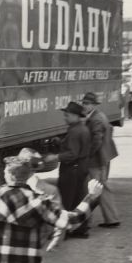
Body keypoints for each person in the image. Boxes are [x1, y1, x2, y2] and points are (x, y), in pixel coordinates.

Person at [18, 148, 65, 263]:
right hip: (31, 235)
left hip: (34, 235)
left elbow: (59, 216)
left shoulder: (44, 190)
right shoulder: (49, 189)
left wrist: (56, 237)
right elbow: (61, 218)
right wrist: (57, 237)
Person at [45, 102, 91, 238]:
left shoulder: (75, 131)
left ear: (75, 116)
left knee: (66, 200)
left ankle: (63, 231)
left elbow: (72, 154)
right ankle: (80, 229)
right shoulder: (82, 128)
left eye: (67, 115)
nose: (65, 117)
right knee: (79, 198)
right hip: (81, 168)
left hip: (72, 169)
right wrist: (61, 142)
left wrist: (55, 156)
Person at [81, 92, 120, 228]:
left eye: (87, 103)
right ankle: (112, 218)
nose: (84, 106)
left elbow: (97, 140)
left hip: (97, 159)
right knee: (103, 187)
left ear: (93, 105)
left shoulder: (95, 119)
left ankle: (89, 220)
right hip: (104, 157)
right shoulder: (100, 115)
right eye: (84, 103)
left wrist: (87, 155)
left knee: (96, 188)